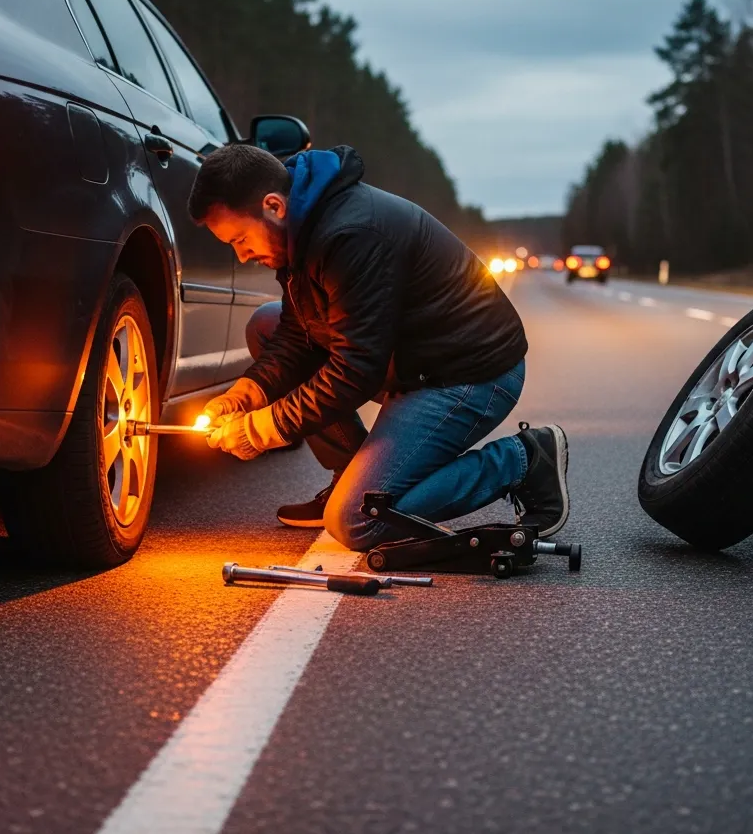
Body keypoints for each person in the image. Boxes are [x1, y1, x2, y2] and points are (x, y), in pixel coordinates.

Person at [187, 142, 570, 552]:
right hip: (408, 360)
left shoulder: (351, 234)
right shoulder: (300, 230)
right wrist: (248, 393)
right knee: (265, 324)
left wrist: (264, 428)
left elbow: (354, 371)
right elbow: (299, 333)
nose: (242, 255)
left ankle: (522, 460)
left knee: (357, 520)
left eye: (241, 239)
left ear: (274, 206)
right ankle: (352, 473)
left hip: (467, 375)